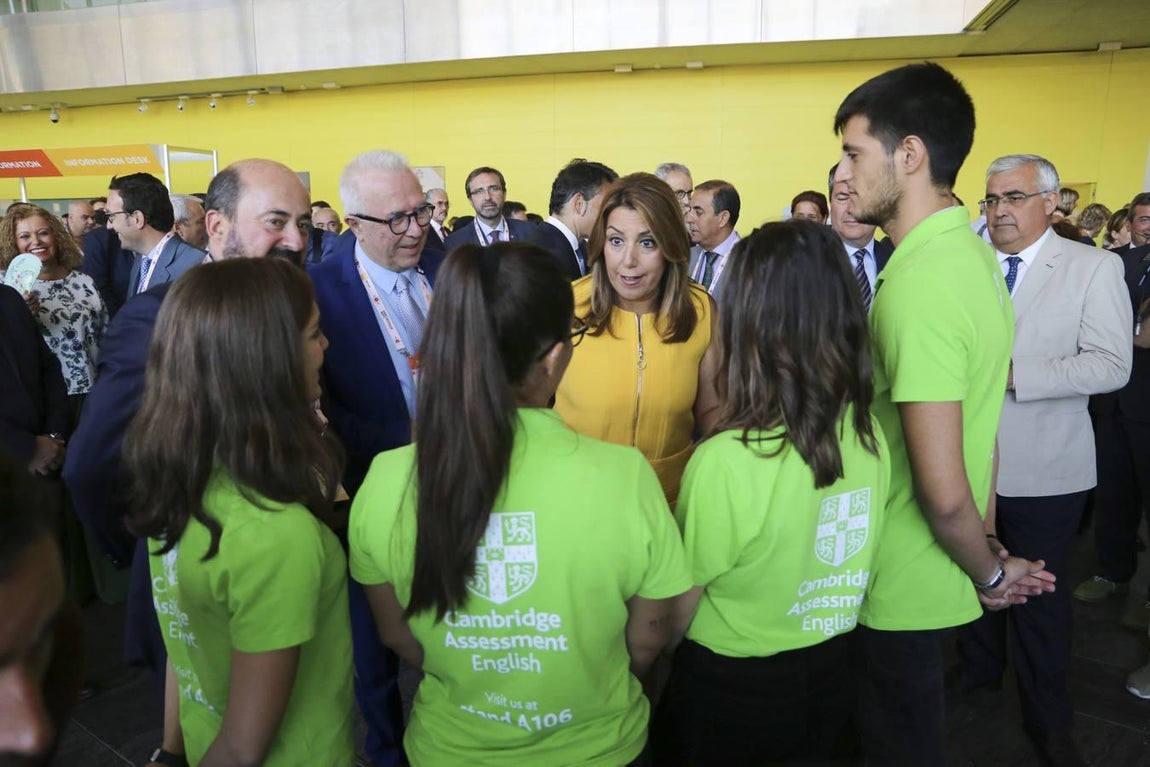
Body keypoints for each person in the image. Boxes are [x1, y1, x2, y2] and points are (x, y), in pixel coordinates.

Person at [348, 242, 691, 766]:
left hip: (449, 748)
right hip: (600, 747)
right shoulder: (625, 477)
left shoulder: (385, 481)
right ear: (555, 357)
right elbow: (648, 639)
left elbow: (401, 638)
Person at [832, 62, 1054, 765]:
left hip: (897, 575)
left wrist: (987, 574)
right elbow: (977, 435)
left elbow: (941, 484)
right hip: (930, 566)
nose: (843, 173)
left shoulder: (923, 283)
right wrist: (985, 548)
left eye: (854, 152)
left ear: (909, 154)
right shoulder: (971, 255)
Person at [652, 219, 890, 765]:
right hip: (833, 675)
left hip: (732, 694)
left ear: (747, 321)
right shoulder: (867, 433)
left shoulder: (728, 460)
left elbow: (676, 613)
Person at [124, 258, 354, 767]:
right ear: (266, 361)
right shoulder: (275, 535)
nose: (325, 347)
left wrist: (170, 750)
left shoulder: (180, 492)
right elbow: (243, 750)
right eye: (314, 333)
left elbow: (185, 650)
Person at [955, 154, 1130, 765]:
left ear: (1051, 204)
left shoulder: (1093, 266)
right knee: (973, 581)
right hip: (968, 460)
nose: (999, 210)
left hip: (1047, 468)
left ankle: (1047, 720)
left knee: (1040, 601)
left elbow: (1112, 364)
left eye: (1014, 197)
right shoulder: (968, 265)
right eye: (990, 199)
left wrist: (1011, 375)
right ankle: (975, 687)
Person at [554, 172, 721, 504]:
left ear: (670, 245)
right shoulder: (567, 306)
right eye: (616, 241)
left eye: (647, 242)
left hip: (668, 503)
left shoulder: (701, 310)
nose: (628, 260)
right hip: (579, 501)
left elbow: (713, 414)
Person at [0, 204, 107, 416]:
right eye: (25, 236)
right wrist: (20, 315)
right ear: (14, 242)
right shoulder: (6, 287)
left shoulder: (84, 281)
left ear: (55, 235)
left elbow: (105, 334)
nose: (36, 241)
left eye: (43, 233)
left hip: (93, 393)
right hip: (42, 397)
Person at [686, 180, 741, 300]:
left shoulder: (751, 262)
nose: (689, 218)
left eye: (698, 212)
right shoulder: (685, 258)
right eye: (689, 210)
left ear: (723, 218)